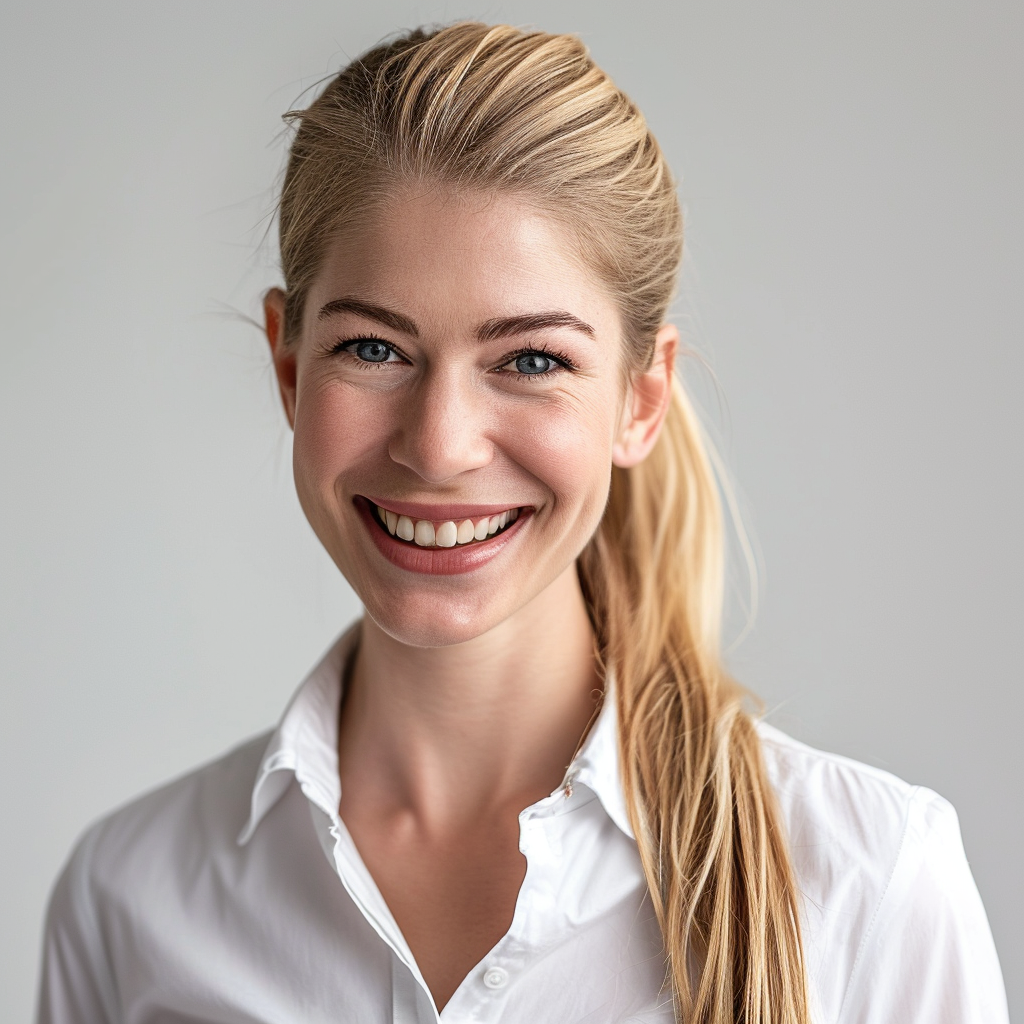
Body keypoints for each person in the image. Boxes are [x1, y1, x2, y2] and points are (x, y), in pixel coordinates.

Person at [36, 22, 1008, 1024]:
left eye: (532, 360)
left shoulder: (872, 881)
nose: (441, 445)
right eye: (373, 348)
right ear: (289, 368)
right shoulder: (129, 900)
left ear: (640, 398)